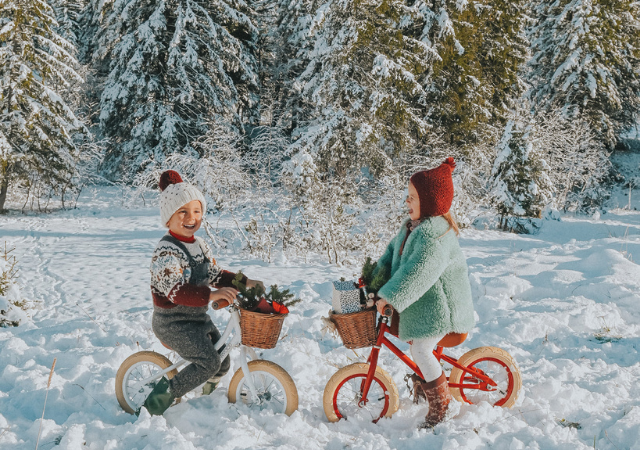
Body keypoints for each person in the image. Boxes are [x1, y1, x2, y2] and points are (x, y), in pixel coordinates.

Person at [142, 170, 264, 415]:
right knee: (208, 362)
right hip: (173, 323)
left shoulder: (199, 245)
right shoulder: (166, 251)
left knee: (223, 360)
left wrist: (246, 282)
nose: (191, 217)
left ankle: (205, 397)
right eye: (183, 212)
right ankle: (156, 403)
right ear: (169, 218)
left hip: (197, 320)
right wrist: (210, 296)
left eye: (196, 211)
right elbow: (176, 291)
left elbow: (216, 274)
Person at [372, 157, 475, 428]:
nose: (407, 202)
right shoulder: (410, 228)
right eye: (408, 196)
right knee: (415, 342)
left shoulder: (433, 236)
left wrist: (390, 298)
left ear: (429, 202)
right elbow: (389, 257)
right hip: (427, 307)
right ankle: (424, 383)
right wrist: (373, 280)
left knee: (421, 349)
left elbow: (417, 274)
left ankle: (442, 405)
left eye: (413, 198)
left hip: (443, 310)